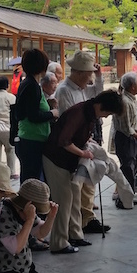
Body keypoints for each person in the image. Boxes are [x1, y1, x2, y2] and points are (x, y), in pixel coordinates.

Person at [42, 90, 124, 254]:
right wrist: (83, 153)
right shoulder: (79, 112)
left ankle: (75, 235)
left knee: (73, 198)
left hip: (69, 161)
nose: (106, 117)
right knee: (63, 201)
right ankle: (59, 243)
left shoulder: (90, 112)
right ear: (100, 105)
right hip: (56, 159)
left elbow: (79, 136)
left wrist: (88, 142)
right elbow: (64, 141)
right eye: (107, 112)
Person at [55, 50, 108, 235]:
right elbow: (68, 121)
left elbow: (99, 97)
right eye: (89, 74)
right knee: (76, 186)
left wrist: (99, 77)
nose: (91, 78)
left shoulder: (82, 89)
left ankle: (88, 219)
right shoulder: (64, 91)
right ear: (78, 73)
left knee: (89, 181)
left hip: (84, 140)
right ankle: (76, 225)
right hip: (71, 144)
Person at [0, 179, 59, 273]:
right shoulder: (3, 213)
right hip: (2, 268)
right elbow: (15, 248)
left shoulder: (26, 211)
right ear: (28, 204)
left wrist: (51, 216)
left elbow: (41, 233)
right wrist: (29, 221)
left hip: (21, 266)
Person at [14, 48, 58, 183]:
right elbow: (33, 116)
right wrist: (52, 113)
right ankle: (27, 204)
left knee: (29, 179)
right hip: (32, 140)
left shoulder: (27, 83)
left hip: (28, 138)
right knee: (31, 182)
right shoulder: (32, 86)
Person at [113, 72, 137, 201]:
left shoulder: (131, 98)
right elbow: (127, 127)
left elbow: (134, 122)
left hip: (132, 137)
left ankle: (129, 194)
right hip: (125, 138)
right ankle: (125, 197)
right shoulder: (125, 102)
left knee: (133, 165)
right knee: (127, 167)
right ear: (132, 86)